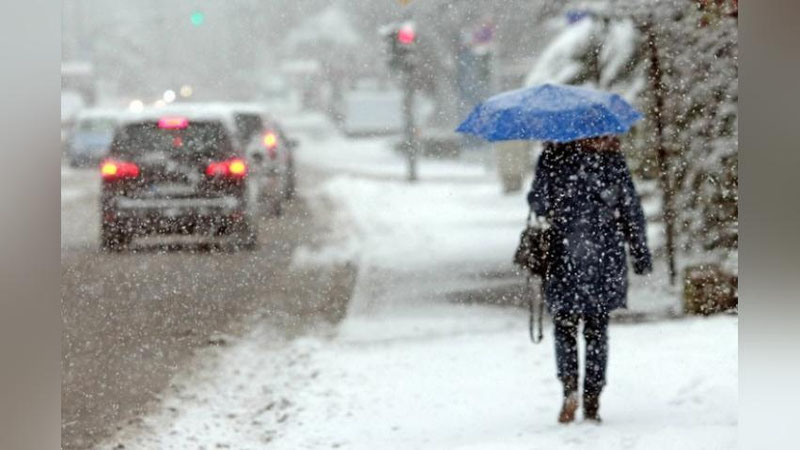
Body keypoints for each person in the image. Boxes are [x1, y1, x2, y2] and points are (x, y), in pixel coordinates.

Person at [527, 136, 652, 424]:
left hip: (563, 252)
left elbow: (539, 203)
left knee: (565, 326)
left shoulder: (552, 158)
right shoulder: (611, 158)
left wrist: (545, 198)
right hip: (604, 253)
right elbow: (630, 208)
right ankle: (593, 395)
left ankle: (570, 388)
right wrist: (639, 252)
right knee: (597, 328)